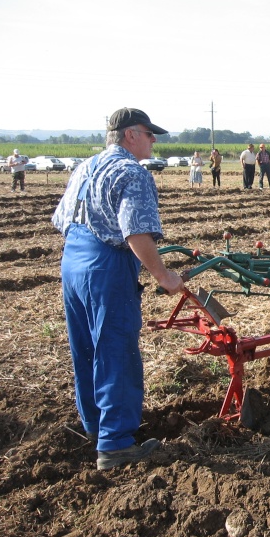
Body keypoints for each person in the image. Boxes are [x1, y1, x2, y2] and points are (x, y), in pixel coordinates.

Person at [51, 107, 184, 470]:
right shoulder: (131, 172)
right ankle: (116, 446)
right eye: (148, 132)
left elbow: (60, 219)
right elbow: (135, 231)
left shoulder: (85, 167)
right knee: (116, 350)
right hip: (105, 265)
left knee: (86, 349)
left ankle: (96, 428)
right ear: (130, 135)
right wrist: (164, 276)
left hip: (73, 261)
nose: (153, 139)